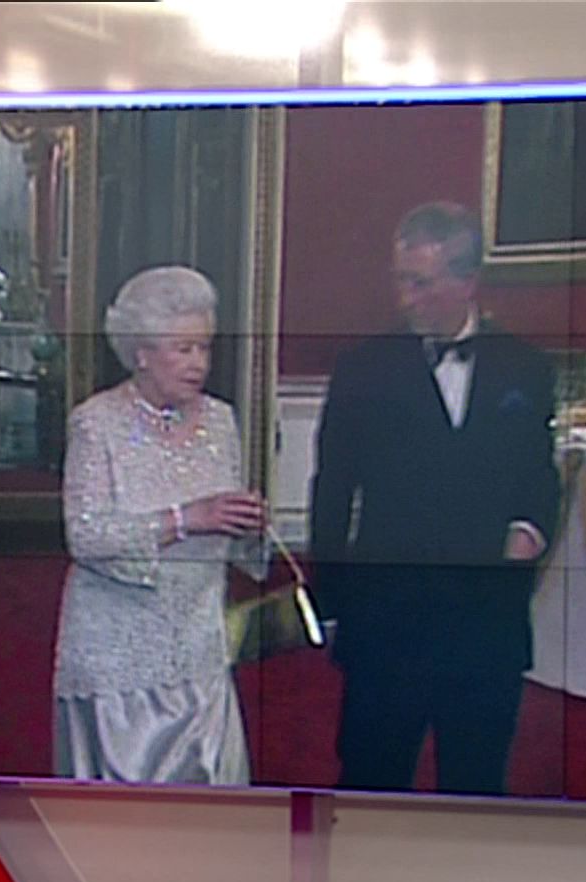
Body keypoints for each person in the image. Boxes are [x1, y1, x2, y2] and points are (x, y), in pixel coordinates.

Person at [308, 201, 559, 795]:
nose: (406, 298)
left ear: (467, 281)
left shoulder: (525, 368)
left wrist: (529, 530)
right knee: (371, 783)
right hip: (387, 621)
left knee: (476, 788)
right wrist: (332, 603)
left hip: (485, 620)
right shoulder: (362, 369)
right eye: (400, 279)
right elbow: (333, 491)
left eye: (420, 283)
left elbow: (540, 475)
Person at [53, 266, 269, 785]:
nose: (199, 364)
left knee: (209, 801)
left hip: (199, 645)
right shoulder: (96, 423)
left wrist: (249, 525)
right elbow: (84, 535)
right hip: (117, 654)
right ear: (141, 353)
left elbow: (233, 541)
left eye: (204, 348)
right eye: (183, 349)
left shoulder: (221, 421)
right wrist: (184, 519)